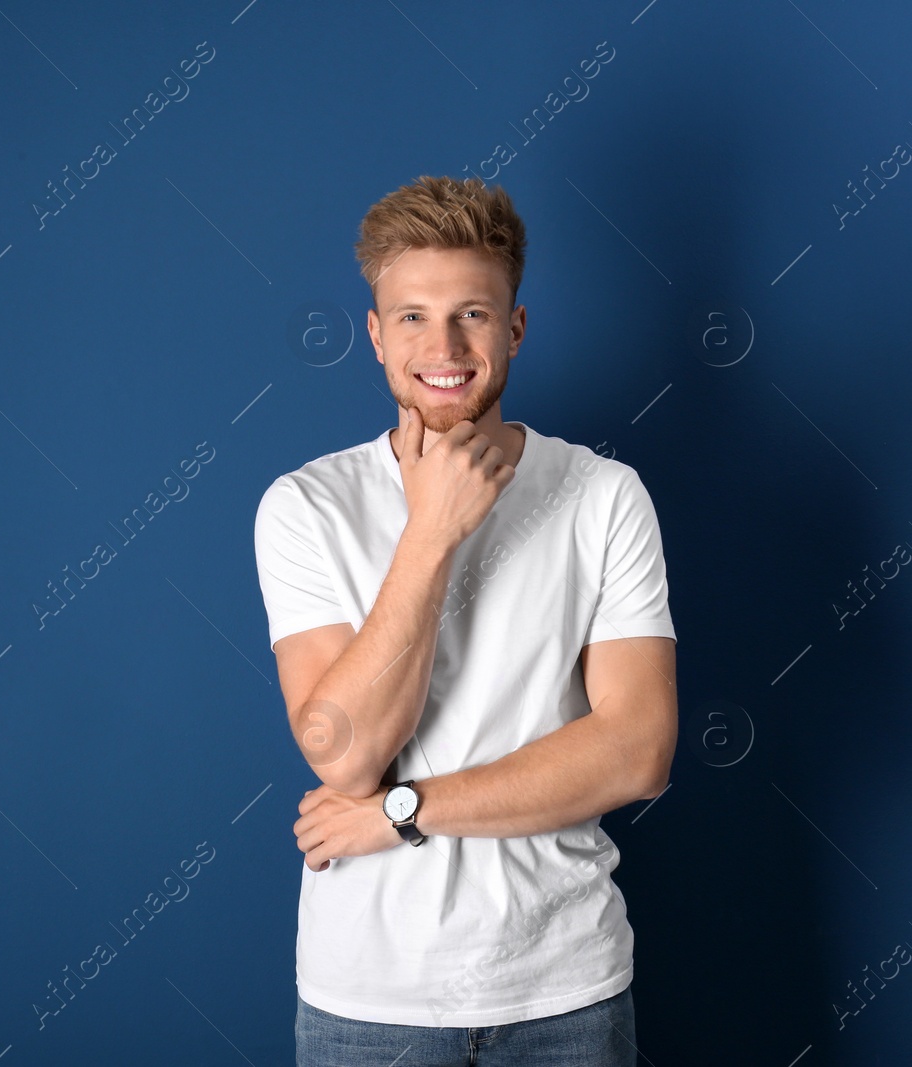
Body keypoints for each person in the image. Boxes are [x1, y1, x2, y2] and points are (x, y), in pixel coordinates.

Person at [253, 175, 678, 1065]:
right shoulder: (304, 506)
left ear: (513, 328)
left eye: (472, 315)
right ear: (374, 336)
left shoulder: (604, 496)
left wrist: (404, 812)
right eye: (411, 316)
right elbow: (343, 752)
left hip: (566, 990)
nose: (442, 345)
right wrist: (433, 530)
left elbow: (638, 751)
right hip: (367, 998)